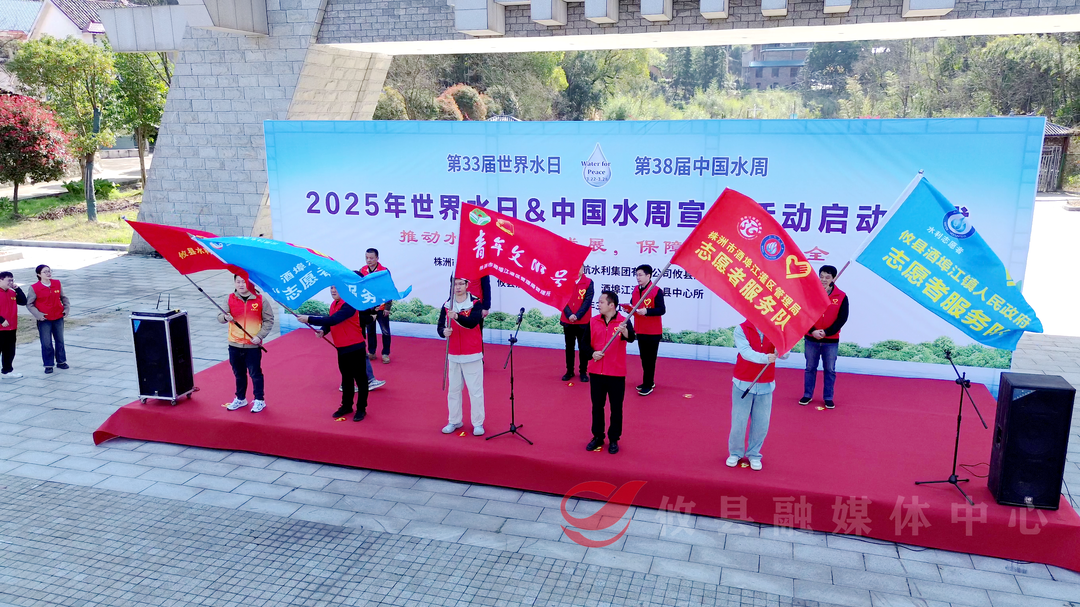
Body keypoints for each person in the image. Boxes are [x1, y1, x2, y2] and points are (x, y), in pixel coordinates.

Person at [298, 286, 370, 422]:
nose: (333, 291)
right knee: (346, 378)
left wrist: (309, 318)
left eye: (336, 288)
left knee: (360, 379)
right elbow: (330, 322)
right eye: (331, 288)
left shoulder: (350, 304)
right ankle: (347, 406)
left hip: (355, 347)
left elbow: (334, 320)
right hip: (341, 348)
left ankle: (361, 408)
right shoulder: (334, 304)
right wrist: (323, 331)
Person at [728, 318, 788, 471]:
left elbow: (785, 354)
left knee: (761, 424)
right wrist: (765, 358)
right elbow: (745, 352)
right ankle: (735, 453)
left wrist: (782, 351)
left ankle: (754, 454)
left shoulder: (776, 329)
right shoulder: (741, 329)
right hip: (743, 383)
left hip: (765, 384)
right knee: (739, 422)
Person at [586, 290, 635, 455]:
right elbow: (584, 345)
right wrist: (592, 353)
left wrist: (624, 331)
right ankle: (598, 436)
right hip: (596, 372)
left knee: (616, 408)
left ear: (611, 305)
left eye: (601, 302)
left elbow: (631, 338)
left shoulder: (624, 321)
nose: (598, 305)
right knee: (597, 406)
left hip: (616, 373)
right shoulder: (593, 321)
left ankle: (614, 438)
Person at [218, 275, 273, 412]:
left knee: (255, 373)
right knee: (239, 373)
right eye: (238, 282)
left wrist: (260, 336)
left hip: (252, 346)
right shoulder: (229, 299)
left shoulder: (260, 299)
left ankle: (259, 400)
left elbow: (269, 320)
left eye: (244, 282)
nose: (241, 285)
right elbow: (220, 317)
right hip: (234, 345)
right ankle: (240, 398)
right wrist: (225, 317)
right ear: (234, 283)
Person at [438, 278, 485, 436]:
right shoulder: (447, 304)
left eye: (460, 284)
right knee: (453, 390)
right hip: (453, 354)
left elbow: (472, 323)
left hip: (472, 354)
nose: (457, 287)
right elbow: (440, 326)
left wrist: (457, 317)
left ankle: (478, 423)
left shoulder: (475, 303)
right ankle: (454, 420)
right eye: (455, 284)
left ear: (466, 285)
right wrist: (444, 332)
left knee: (475, 391)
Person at [800, 265, 849, 410]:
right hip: (811, 338)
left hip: (831, 340)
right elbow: (803, 314)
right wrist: (813, 331)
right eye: (821, 276)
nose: (823, 280)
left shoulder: (841, 296)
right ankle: (807, 395)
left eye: (827, 277)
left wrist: (826, 332)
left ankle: (828, 397)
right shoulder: (810, 294)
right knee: (810, 368)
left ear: (834, 278)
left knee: (830, 369)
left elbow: (842, 319)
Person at [625, 264, 665, 396]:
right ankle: (648, 381)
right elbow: (633, 305)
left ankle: (648, 384)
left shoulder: (656, 291)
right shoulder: (636, 290)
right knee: (643, 358)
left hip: (653, 331)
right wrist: (628, 309)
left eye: (640, 275)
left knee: (650, 359)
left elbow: (662, 310)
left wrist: (647, 311)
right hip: (640, 329)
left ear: (648, 276)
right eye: (636, 275)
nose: (638, 277)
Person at [25, 264, 70, 374]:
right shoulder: (34, 287)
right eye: (45, 272)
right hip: (44, 319)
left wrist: (66, 309)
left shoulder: (57, 283)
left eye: (49, 271)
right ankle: (48, 365)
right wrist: (38, 315)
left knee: (60, 340)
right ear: (39, 274)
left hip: (58, 316)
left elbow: (64, 297)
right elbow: (29, 304)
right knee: (46, 343)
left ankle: (61, 361)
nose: (48, 273)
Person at [560, 265, 594, 382]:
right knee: (569, 347)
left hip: (583, 321)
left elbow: (587, 301)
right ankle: (569, 371)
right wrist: (569, 314)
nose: (578, 269)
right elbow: (562, 299)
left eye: (580, 267)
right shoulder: (565, 281)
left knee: (583, 347)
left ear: (583, 269)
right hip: (567, 320)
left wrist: (577, 315)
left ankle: (583, 372)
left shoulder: (588, 282)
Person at [359, 248, 392, 363]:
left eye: (371, 258)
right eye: (367, 258)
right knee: (370, 330)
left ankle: (385, 353)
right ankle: (372, 352)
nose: (369, 260)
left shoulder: (384, 271)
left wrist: (387, 307)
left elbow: (389, 289)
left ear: (377, 258)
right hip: (368, 307)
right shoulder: (362, 270)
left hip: (382, 306)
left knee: (385, 331)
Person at [0, 272, 27, 379]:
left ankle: (7, 371)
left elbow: (23, 301)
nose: (11, 282)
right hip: (1, 328)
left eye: (12, 280)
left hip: (11, 327)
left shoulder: (12, 293)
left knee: (9, 351)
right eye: (8, 280)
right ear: (1, 280)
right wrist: (1, 320)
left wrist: (18, 289)